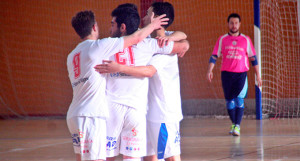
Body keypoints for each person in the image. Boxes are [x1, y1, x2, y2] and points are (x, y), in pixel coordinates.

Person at [66, 10, 169, 161]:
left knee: (81, 158)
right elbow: (136, 38)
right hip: (91, 115)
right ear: (94, 27)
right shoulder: (98, 46)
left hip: (74, 115)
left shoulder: (72, 55)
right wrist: (153, 26)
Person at [94, 6, 189, 161]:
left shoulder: (107, 44)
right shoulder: (148, 43)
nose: (143, 17)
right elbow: (184, 45)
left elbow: (151, 69)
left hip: (155, 111)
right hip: (141, 111)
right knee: (144, 156)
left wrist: (119, 68)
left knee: (106, 156)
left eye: (147, 14)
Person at [206, 13, 262, 136]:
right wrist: (210, 70)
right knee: (229, 101)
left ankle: (237, 126)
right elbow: (214, 55)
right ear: (228, 24)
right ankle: (234, 123)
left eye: (236, 23)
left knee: (239, 99)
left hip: (241, 74)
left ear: (239, 24)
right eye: (231, 23)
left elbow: (253, 58)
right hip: (226, 74)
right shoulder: (222, 39)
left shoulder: (246, 40)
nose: (234, 25)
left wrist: (258, 75)